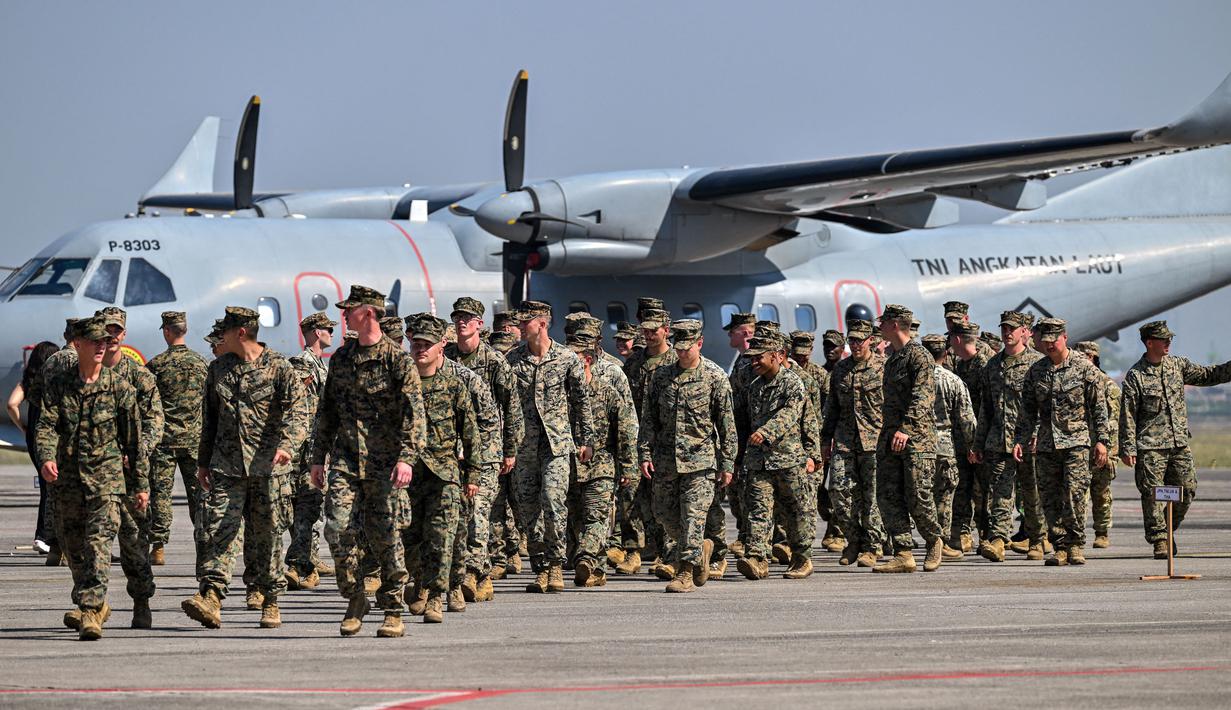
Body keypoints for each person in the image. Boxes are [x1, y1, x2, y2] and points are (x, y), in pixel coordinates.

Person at [309, 286, 426, 637]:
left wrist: (407, 458)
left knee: (386, 536)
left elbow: (414, 416)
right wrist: (317, 458)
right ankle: (356, 596)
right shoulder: (342, 359)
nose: (344, 314)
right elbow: (327, 411)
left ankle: (392, 608)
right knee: (336, 529)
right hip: (346, 460)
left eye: (351, 309)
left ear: (369, 313)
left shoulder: (397, 361)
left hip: (385, 464)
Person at [181, 307, 307, 630]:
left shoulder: (280, 368)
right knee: (217, 530)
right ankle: (211, 596)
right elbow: (208, 420)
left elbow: (298, 414)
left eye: (225, 329)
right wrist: (202, 463)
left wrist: (287, 446)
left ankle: (271, 599)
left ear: (241, 333)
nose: (219, 335)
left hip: (268, 470)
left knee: (268, 537)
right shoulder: (218, 369)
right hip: (226, 467)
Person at [35, 316, 147, 640]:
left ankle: (89, 610)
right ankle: (96, 604)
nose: (102, 346)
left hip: (107, 481)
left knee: (99, 543)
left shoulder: (120, 389)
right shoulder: (60, 385)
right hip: (68, 481)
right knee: (74, 546)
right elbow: (45, 426)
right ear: (78, 344)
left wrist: (140, 486)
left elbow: (134, 441)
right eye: (95, 341)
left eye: (105, 341)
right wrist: (45, 457)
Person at [638, 319, 737, 593]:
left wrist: (727, 464)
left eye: (687, 348)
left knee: (693, 516)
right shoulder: (661, 377)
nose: (682, 353)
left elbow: (727, 426)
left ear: (700, 344)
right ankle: (699, 550)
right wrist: (644, 453)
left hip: (701, 461)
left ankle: (685, 573)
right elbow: (649, 420)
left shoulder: (715, 378)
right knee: (663, 513)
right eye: (678, 348)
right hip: (666, 460)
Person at [1119, 320, 1231, 558]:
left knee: (1187, 490)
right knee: (1152, 493)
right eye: (1163, 339)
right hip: (1149, 446)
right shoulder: (1136, 376)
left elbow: (1209, 375)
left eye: (1170, 339)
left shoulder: (1178, 366)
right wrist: (1128, 447)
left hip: (1179, 443)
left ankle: (1168, 529)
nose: (1169, 342)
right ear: (1150, 343)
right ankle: (1159, 540)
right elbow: (1127, 414)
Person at [507, 300, 595, 593]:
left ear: (542, 324)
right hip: (524, 445)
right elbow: (504, 405)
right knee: (528, 507)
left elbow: (582, 402)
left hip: (557, 444)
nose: (520, 326)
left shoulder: (567, 359)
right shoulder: (512, 360)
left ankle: (556, 564)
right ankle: (540, 565)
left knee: (553, 501)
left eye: (525, 322)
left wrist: (586, 441)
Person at [402, 314, 480, 625]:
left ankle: (439, 593)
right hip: (408, 473)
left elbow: (470, 432)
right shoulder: (402, 385)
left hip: (444, 472)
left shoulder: (453, 385)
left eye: (427, 344)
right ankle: (420, 583)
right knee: (410, 537)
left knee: (442, 536)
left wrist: (473, 476)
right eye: (416, 344)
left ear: (441, 347)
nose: (420, 349)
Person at [445, 297, 524, 602]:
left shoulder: (494, 362)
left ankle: (475, 573)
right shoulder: (446, 356)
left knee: (479, 513)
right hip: (453, 450)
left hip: (487, 449)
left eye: (468, 318)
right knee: (458, 514)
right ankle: (471, 571)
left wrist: (509, 448)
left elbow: (511, 405)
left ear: (480, 324)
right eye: (458, 317)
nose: (462, 322)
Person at [1016, 318, 1109, 566]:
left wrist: (1102, 441)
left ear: (1064, 337)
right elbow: (1027, 411)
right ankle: (1059, 546)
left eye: (1053, 341)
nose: (1049, 346)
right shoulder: (1036, 371)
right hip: (1047, 445)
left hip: (1077, 443)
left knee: (1075, 495)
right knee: (1050, 497)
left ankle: (1076, 545)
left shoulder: (1085, 368)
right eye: (1044, 342)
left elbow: (1099, 408)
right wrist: (1021, 440)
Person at [736, 331, 818, 580]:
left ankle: (802, 557)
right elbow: (745, 421)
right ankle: (757, 558)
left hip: (788, 460)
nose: (754, 362)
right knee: (758, 510)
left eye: (759, 357)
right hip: (759, 461)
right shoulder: (755, 387)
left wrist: (812, 454)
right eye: (751, 358)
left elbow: (795, 416)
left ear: (777, 356)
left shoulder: (793, 383)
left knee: (797, 511)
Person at [973, 311, 1048, 561]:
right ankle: (997, 540)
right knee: (1000, 492)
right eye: (1004, 328)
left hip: (1028, 442)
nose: (1007, 333)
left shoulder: (1037, 364)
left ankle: (1037, 539)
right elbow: (986, 407)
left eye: (1012, 329)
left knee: (1032, 493)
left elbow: (1044, 406)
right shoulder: (992, 365)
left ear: (1024, 332)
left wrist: (1037, 434)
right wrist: (978, 442)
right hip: (998, 440)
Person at [874, 305, 943, 574]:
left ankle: (933, 539)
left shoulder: (919, 356)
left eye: (883, 322)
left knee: (918, 495)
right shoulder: (893, 359)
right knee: (889, 494)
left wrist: (906, 429)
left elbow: (923, 397)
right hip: (891, 438)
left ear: (894, 325)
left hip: (916, 440)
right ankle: (903, 552)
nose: (879, 326)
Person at [566, 331, 638, 587]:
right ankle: (596, 570)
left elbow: (626, 429)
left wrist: (629, 466)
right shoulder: (563, 395)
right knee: (575, 520)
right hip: (571, 468)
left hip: (602, 467)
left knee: (595, 518)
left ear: (585, 361)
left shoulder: (607, 391)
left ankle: (585, 558)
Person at [145, 311, 209, 567]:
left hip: (164, 441)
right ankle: (203, 548)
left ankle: (158, 547)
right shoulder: (201, 363)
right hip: (195, 441)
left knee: (160, 494)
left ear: (167, 331)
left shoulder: (156, 365)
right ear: (185, 330)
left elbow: (146, 403)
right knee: (199, 496)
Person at [820, 319, 886, 568]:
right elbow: (832, 409)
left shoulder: (883, 368)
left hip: (875, 440)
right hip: (846, 441)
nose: (856, 344)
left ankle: (873, 546)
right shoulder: (840, 370)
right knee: (838, 491)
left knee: (871, 497)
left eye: (861, 340)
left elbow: (892, 407)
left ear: (871, 340)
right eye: (853, 340)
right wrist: (825, 441)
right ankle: (854, 539)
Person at [615, 300, 674, 575]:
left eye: (655, 330)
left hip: (666, 442)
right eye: (646, 330)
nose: (649, 335)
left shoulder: (676, 361)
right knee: (630, 497)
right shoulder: (635, 363)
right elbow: (624, 403)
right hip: (636, 438)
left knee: (663, 499)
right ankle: (633, 550)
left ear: (666, 330)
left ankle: (665, 552)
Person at [284, 312, 336, 589]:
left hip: (313, 447)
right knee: (307, 506)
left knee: (308, 507)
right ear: (316, 332)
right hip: (306, 449)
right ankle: (300, 563)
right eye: (328, 329)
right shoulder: (303, 364)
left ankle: (307, 564)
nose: (331, 333)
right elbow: (298, 408)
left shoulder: (319, 364)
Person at [921, 334, 977, 557]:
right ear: (945, 353)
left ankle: (928, 539)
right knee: (944, 496)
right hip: (945, 445)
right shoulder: (953, 380)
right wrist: (973, 445)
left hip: (920, 445)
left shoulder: (912, 379)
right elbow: (966, 418)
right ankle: (941, 541)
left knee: (921, 495)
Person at [7, 340, 59, 555]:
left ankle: (45, 536)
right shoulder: (55, 380)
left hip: (33, 436)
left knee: (46, 487)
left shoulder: (27, 381)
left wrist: (23, 427)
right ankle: (44, 536)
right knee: (53, 487)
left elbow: (12, 404)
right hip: (51, 437)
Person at [789, 330, 837, 552]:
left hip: (815, 439)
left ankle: (827, 529)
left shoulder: (818, 376)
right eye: (797, 354)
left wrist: (827, 437)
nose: (801, 358)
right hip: (791, 442)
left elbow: (828, 408)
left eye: (805, 354)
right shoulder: (785, 374)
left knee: (814, 486)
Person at [947, 320, 990, 554]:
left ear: (957, 340)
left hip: (980, 439)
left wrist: (978, 442)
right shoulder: (962, 366)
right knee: (961, 488)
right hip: (962, 439)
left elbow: (987, 408)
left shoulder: (985, 365)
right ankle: (962, 534)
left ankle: (986, 536)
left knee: (983, 490)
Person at [1074, 341, 1120, 549]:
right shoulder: (1075, 383)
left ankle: (1102, 532)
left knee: (1101, 492)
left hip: (1103, 447)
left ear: (1091, 357)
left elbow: (1114, 421)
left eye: (1081, 356)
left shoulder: (1108, 386)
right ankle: (1077, 532)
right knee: (1077, 493)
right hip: (1080, 446)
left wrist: (1109, 450)